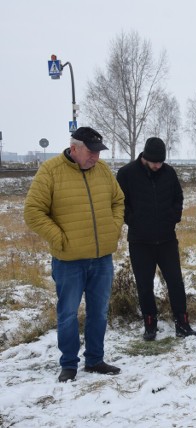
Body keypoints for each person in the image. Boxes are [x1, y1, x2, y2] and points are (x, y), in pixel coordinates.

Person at [24, 127, 124, 382]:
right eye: (91, 152)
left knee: (99, 312)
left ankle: (95, 359)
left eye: (99, 152)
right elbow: (33, 212)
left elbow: (118, 200)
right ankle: (69, 363)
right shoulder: (51, 171)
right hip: (69, 261)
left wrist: (113, 229)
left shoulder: (102, 171)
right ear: (75, 147)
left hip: (102, 258)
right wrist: (60, 239)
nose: (96, 158)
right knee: (68, 313)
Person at [116, 137, 196, 341]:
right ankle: (150, 324)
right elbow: (119, 203)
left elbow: (178, 198)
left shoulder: (168, 172)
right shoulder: (126, 174)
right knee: (144, 285)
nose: (157, 166)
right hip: (139, 241)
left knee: (175, 282)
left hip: (167, 239)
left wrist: (173, 217)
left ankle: (182, 323)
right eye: (154, 162)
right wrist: (133, 220)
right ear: (144, 157)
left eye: (160, 162)